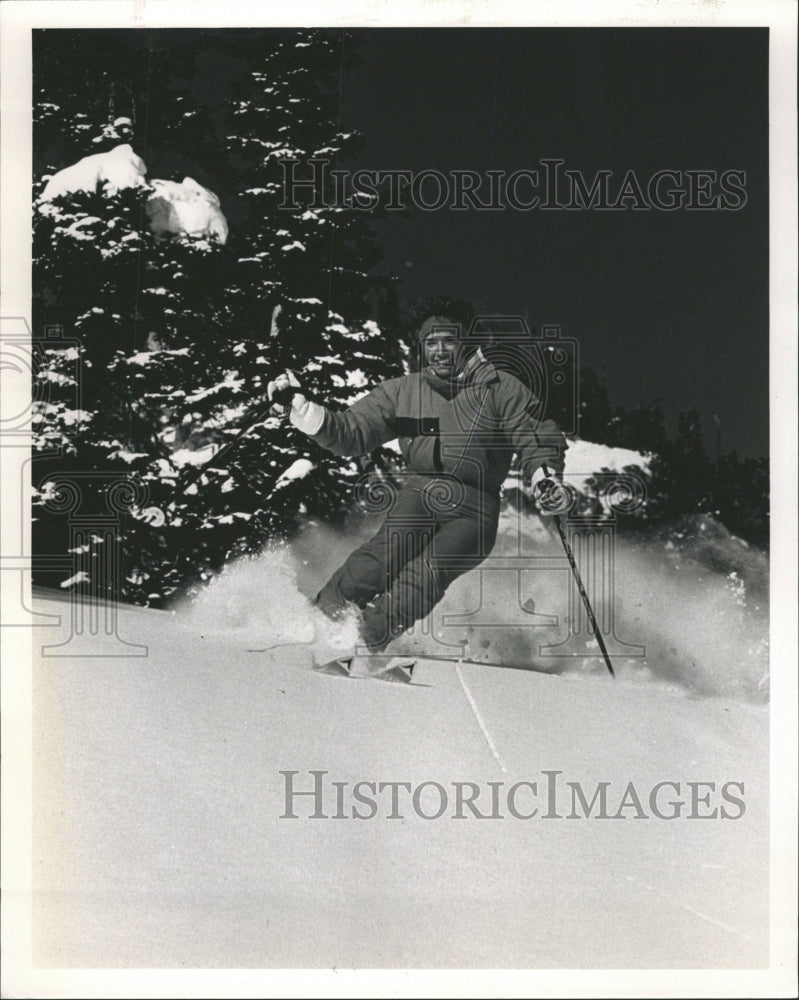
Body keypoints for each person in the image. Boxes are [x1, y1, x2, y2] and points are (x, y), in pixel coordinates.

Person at [267, 304, 566, 663]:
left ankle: (363, 640)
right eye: (430, 343)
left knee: (426, 572)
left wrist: (544, 476)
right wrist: (305, 412)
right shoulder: (403, 391)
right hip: (420, 493)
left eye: (449, 341)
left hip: (474, 508)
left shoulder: (501, 389)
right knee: (378, 560)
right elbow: (352, 431)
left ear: (467, 343)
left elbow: (535, 435)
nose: (439, 350)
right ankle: (317, 621)